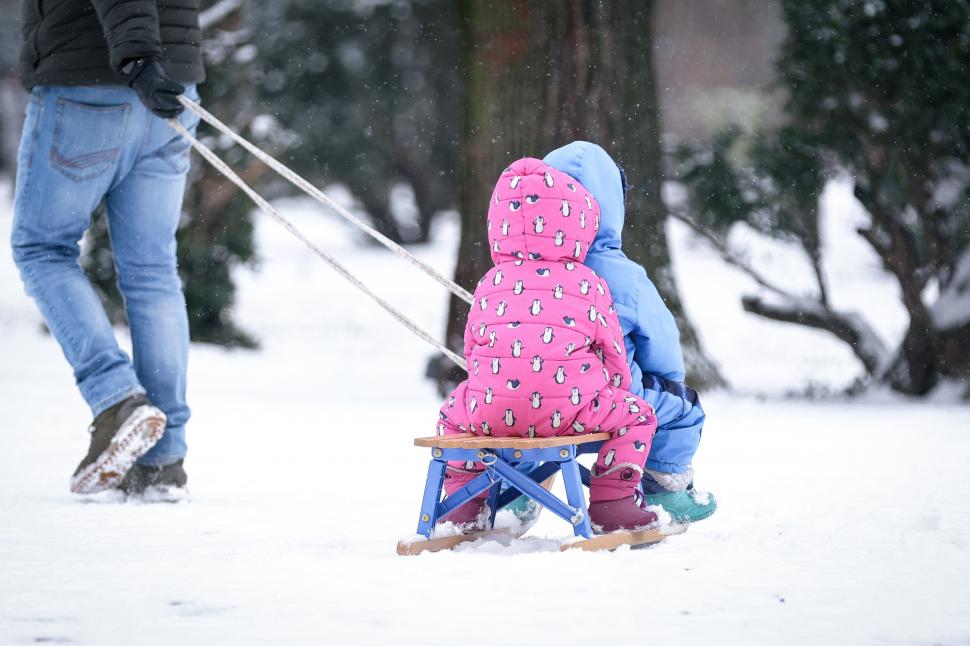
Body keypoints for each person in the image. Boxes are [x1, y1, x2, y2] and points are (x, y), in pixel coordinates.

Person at [11, 0, 205, 496]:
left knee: (41, 249)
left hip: (94, 80)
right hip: (170, 89)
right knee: (152, 270)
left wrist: (138, 55)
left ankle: (116, 398)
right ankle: (163, 460)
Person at [435, 157, 662, 533]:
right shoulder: (588, 282)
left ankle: (465, 502)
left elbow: (473, 349)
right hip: (573, 410)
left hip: (489, 411)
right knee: (638, 415)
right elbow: (612, 351)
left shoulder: (490, 282)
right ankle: (613, 502)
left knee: (450, 416)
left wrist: (486, 385)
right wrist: (615, 389)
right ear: (580, 223)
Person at [543, 141, 717, 523]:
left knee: (525, 398)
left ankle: (515, 495)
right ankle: (662, 485)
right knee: (683, 410)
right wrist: (666, 382)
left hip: (522, 400)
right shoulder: (622, 276)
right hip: (607, 399)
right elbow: (663, 347)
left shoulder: (516, 271)